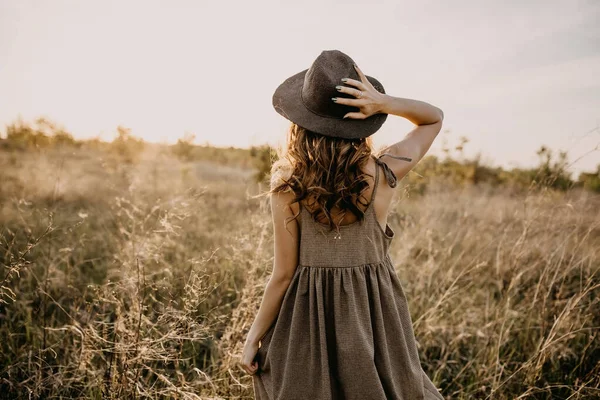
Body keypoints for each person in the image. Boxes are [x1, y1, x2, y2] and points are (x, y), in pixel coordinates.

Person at [239, 49, 445, 399]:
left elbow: (283, 276)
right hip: (374, 318)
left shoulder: (288, 187)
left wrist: (253, 337)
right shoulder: (384, 172)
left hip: (307, 321)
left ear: (300, 124)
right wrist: (383, 102)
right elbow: (433, 119)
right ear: (362, 120)